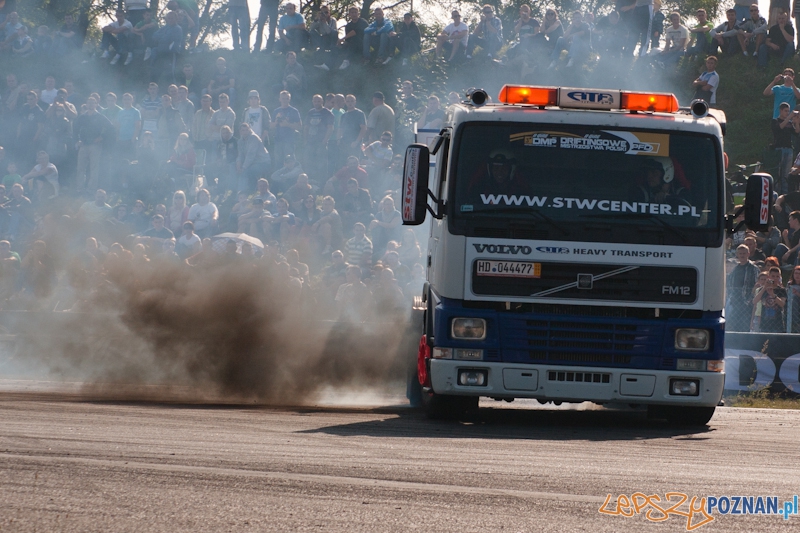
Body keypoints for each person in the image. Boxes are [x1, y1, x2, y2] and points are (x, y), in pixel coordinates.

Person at [73, 97, 113, 192]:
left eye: (93, 103)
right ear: (86, 104)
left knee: (94, 169)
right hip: (83, 145)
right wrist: (77, 140)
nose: (90, 105)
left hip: (95, 146)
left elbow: (110, 128)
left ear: (96, 104)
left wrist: (102, 137)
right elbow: (75, 130)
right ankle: (80, 189)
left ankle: (91, 190)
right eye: (89, 103)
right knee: (80, 169)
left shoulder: (100, 117)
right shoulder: (82, 117)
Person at [304, 94, 334, 184]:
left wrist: (325, 140)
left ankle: (322, 184)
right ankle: (310, 183)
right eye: (315, 101)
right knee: (309, 163)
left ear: (322, 102)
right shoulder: (310, 112)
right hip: (310, 142)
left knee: (321, 165)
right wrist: (305, 139)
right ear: (312, 102)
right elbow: (306, 127)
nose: (317, 103)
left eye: (319, 101)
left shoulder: (328, 113)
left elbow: (330, 128)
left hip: (321, 143)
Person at [236, 123, 271, 193]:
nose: (245, 132)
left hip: (262, 162)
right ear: (240, 131)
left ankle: (247, 190)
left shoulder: (254, 138)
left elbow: (250, 155)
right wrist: (238, 166)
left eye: (246, 130)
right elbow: (240, 155)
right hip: (252, 163)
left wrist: (243, 168)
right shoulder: (240, 141)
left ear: (249, 130)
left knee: (247, 171)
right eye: (243, 130)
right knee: (235, 169)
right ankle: (236, 191)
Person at [271, 90, 302, 168]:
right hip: (278, 140)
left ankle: (291, 178)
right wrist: (276, 122)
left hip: (289, 140)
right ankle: (279, 179)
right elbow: (271, 125)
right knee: (278, 162)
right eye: (283, 98)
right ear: (279, 99)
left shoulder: (294, 111)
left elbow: (299, 126)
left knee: (289, 161)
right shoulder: (276, 111)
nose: (284, 100)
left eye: (286, 98)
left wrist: (287, 124)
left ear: (289, 99)